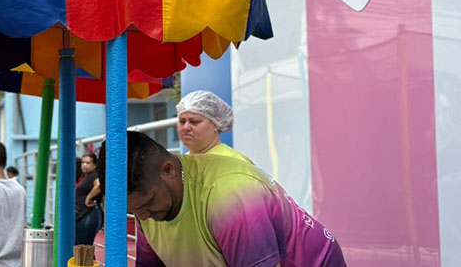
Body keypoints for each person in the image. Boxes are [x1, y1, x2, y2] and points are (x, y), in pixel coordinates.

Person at [98, 131, 345, 267]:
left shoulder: (231, 194)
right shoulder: (149, 207)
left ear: (168, 170)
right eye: (135, 211)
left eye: (148, 203)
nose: (143, 217)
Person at [176, 90, 253, 164]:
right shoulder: (181, 163)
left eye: (195, 121)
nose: (186, 127)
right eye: (182, 121)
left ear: (216, 124)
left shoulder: (234, 162)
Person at [75, 153, 103, 247]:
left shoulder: (94, 175)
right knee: (81, 245)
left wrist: (89, 197)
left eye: (88, 163)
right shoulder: (85, 177)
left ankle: (88, 262)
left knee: (85, 246)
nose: (84, 165)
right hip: (83, 214)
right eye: (83, 162)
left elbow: (99, 184)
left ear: (94, 165)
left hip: (89, 213)